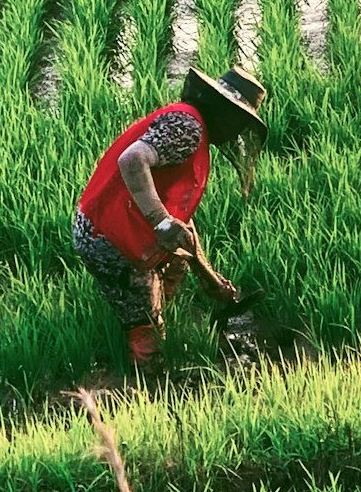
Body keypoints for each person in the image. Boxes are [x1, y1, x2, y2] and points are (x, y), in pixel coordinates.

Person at [73, 65, 267, 369]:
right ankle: (148, 380)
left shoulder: (191, 126)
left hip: (109, 224)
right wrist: (160, 221)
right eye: (238, 122)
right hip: (109, 237)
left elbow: (183, 226)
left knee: (176, 258)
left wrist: (210, 279)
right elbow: (133, 160)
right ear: (225, 112)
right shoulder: (188, 127)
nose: (236, 132)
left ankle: (154, 306)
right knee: (146, 328)